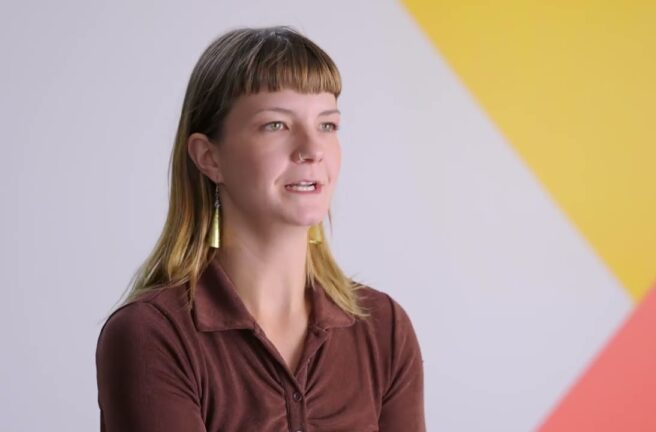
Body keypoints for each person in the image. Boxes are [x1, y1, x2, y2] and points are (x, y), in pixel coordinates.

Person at [95, 26, 425, 432]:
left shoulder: (384, 328)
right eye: (276, 125)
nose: (312, 150)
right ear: (209, 157)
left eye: (327, 125)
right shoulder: (152, 335)